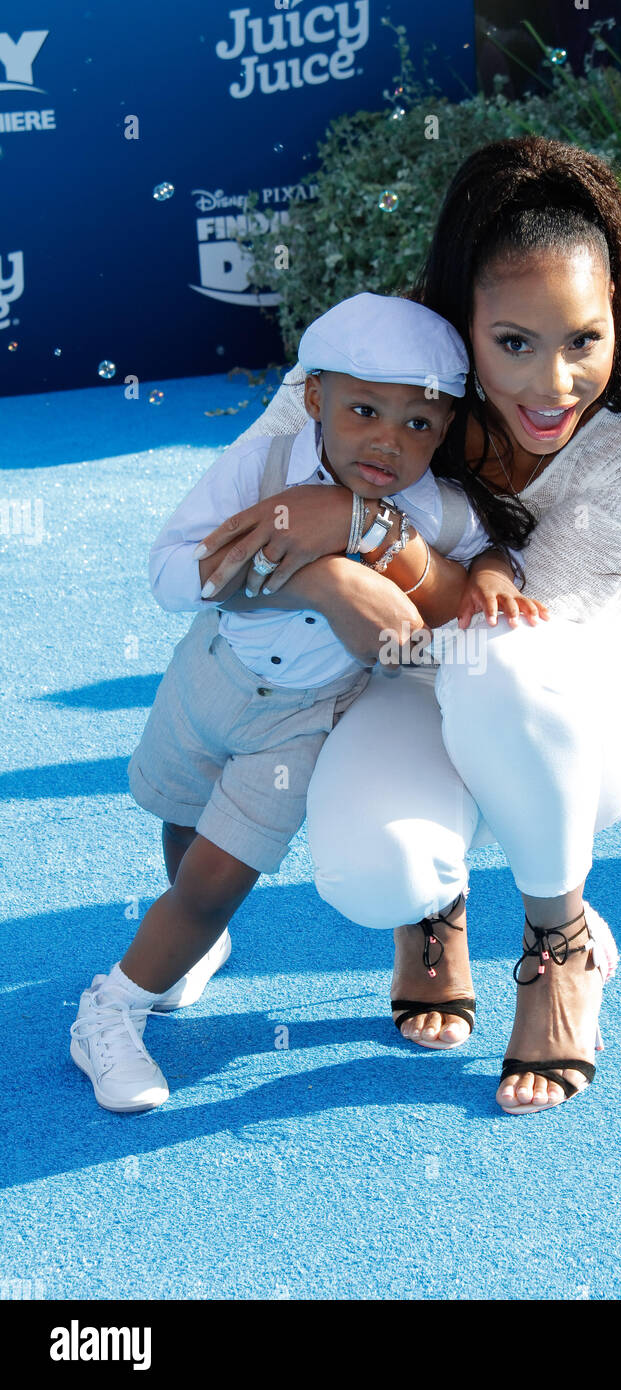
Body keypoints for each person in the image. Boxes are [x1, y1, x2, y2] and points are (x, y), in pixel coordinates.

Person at [186, 136, 621, 1116]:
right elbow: (237, 532)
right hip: (407, 681)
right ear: (461, 325)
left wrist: (356, 532)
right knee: (371, 876)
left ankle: (558, 939)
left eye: (582, 340)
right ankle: (437, 900)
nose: (551, 383)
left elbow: (509, 630)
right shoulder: (368, 370)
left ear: (619, 319)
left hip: (581, 713)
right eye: (511, 342)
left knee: (494, 658)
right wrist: (304, 547)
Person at [70, 292, 548, 1114]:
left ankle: (111, 1007)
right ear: (316, 397)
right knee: (181, 822)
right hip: (207, 678)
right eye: (364, 409)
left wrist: (499, 575)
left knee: (215, 880)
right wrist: (322, 580)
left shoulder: (429, 511)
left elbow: (480, 556)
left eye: (420, 424)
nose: (388, 442)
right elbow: (169, 575)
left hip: (301, 724)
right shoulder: (258, 467)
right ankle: (185, 951)